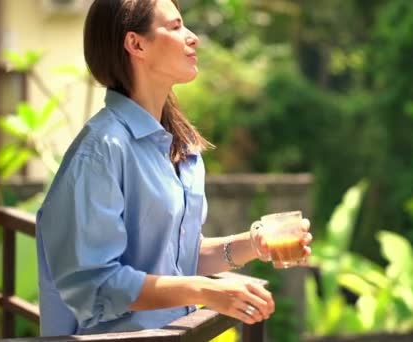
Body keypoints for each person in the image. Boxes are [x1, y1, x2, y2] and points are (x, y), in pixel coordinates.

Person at [35, 0, 312, 336]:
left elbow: (174, 257)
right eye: (176, 26)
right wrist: (206, 290)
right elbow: (96, 283)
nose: (193, 37)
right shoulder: (102, 150)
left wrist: (253, 244)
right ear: (136, 44)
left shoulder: (181, 146)